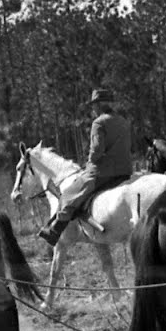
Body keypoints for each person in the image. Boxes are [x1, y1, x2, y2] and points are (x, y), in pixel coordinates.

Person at [37, 87, 132, 246]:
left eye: (94, 105)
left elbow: (96, 151)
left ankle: (55, 231)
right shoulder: (123, 121)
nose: (93, 108)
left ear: (99, 105)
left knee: (69, 195)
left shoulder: (99, 123)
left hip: (103, 172)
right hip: (125, 171)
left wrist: (89, 163)